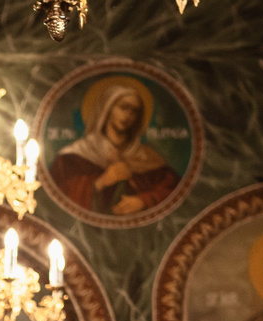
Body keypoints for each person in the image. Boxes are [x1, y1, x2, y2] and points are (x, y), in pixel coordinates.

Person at [46, 81, 180, 218]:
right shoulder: (74, 155)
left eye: (134, 111)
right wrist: (101, 182)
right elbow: (56, 196)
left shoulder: (147, 157)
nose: (128, 115)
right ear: (107, 108)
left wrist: (144, 201)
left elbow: (173, 190)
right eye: (123, 107)